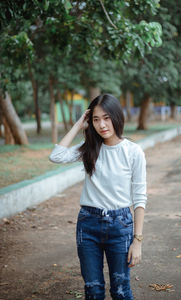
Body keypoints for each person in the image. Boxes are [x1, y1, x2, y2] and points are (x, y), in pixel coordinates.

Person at [49, 94, 147, 300]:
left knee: (120, 290)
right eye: (95, 119)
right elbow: (56, 156)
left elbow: (139, 198)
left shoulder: (133, 151)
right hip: (88, 224)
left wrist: (137, 240)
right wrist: (78, 124)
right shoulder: (89, 149)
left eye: (106, 118)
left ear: (116, 117)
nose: (102, 124)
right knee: (93, 290)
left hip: (120, 226)